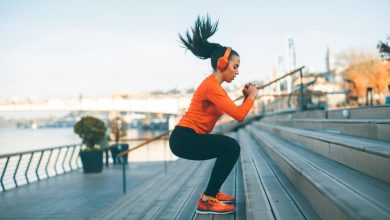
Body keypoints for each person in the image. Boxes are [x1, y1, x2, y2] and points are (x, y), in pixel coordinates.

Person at [169, 15, 258, 215]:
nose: (237, 72)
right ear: (222, 64)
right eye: (235, 67)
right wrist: (252, 97)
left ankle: (212, 193)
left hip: (187, 137)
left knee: (227, 147)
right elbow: (239, 115)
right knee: (231, 147)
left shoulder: (214, 87)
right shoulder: (211, 87)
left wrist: (245, 99)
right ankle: (208, 199)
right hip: (184, 138)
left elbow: (235, 111)